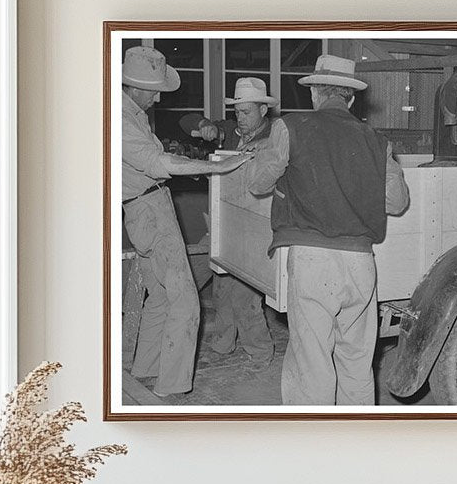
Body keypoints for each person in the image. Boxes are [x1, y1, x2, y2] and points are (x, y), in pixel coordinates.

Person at [248, 54, 409, 405]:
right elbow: (397, 202)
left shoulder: (289, 127)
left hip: (312, 261)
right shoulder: (376, 140)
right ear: (351, 98)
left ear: (314, 94)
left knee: (313, 362)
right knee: (356, 363)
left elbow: (257, 183)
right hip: (360, 264)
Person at [121, 46, 246, 397]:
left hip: (144, 206)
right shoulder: (120, 118)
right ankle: (171, 387)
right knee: (186, 301)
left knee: (160, 295)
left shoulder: (131, 113)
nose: (159, 96)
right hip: (149, 208)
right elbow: (158, 164)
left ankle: (146, 371)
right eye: (154, 89)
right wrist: (217, 166)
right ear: (134, 85)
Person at [179, 78, 276, 367]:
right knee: (221, 286)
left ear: (263, 111)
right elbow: (186, 120)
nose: (241, 118)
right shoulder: (229, 133)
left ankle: (260, 351)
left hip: (256, 222)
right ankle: (223, 342)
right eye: (237, 112)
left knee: (245, 294)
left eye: (246, 112)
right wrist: (204, 124)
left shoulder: (276, 136)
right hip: (223, 220)